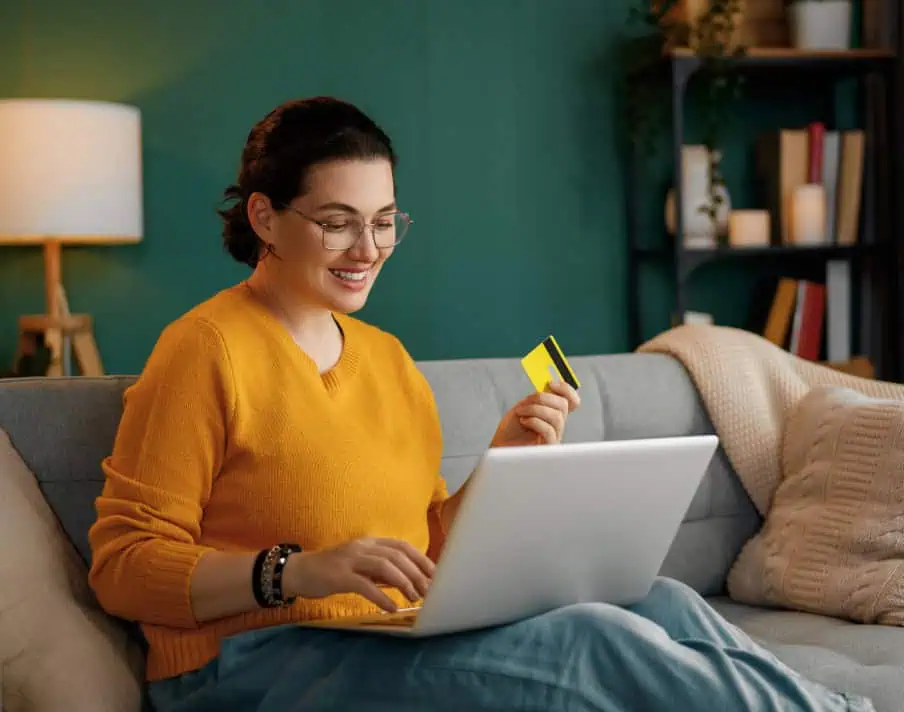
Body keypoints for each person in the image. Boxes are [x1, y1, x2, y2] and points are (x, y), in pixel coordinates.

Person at [87, 96, 873, 712]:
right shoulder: (205, 349)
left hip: (386, 638)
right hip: (248, 669)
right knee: (589, 641)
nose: (369, 251)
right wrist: (296, 572)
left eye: (386, 223)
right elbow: (123, 568)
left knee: (656, 596)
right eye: (338, 224)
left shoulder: (387, 361)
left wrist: (506, 463)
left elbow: (423, 545)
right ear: (264, 216)